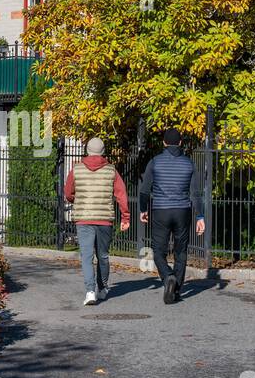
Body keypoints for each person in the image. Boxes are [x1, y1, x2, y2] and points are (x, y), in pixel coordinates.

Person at [139, 128, 205, 304]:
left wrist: (143, 209)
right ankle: (176, 289)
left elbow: (144, 190)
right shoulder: (189, 164)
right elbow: (196, 194)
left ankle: (168, 277)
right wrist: (200, 217)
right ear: (181, 143)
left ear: (164, 143)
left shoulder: (155, 162)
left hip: (161, 210)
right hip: (183, 210)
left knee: (158, 251)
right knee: (181, 251)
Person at [63, 137, 130, 306]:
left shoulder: (76, 169)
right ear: (102, 151)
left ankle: (90, 291)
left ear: (87, 150)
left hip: (83, 218)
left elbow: (68, 192)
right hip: (104, 219)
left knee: (86, 256)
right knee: (103, 255)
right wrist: (125, 217)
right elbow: (121, 194)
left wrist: (75, 200)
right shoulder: (111, 170)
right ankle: (103, 287)